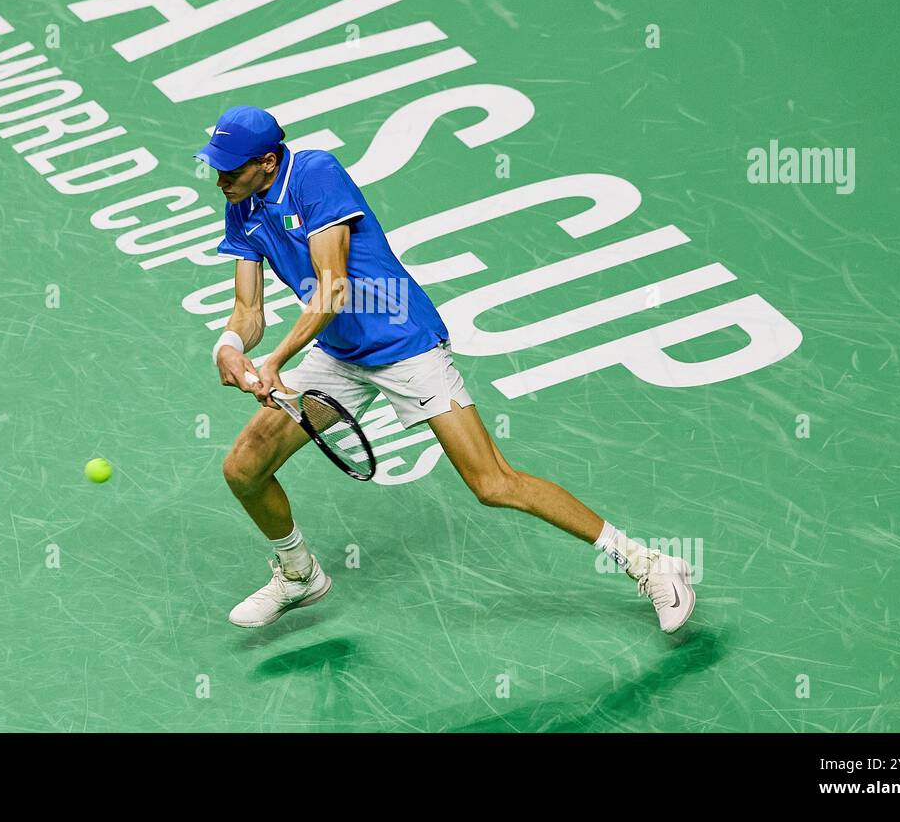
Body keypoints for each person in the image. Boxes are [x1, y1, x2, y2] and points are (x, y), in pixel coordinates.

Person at [199, 105, 695, 633]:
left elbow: (332, 286)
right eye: (216, 169)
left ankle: (649, 564)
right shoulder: (242, 204)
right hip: (337, 353)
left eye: (231, 170)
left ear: (269, 162)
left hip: (402, 343)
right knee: (245, 468)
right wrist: (229, 347)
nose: (220, 180)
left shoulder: (315, 174)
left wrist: (275, 360)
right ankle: (299, 575)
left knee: (493, 483)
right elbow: (248, 311)